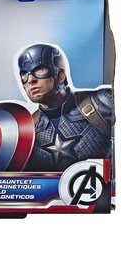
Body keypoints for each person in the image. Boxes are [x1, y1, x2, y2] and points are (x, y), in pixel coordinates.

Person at [17, 43, 113, 171]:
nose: (30, 80)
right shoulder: (28, 129)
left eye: (39, 70)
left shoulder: (102, 101)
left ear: (60, 75)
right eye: (24, 74)